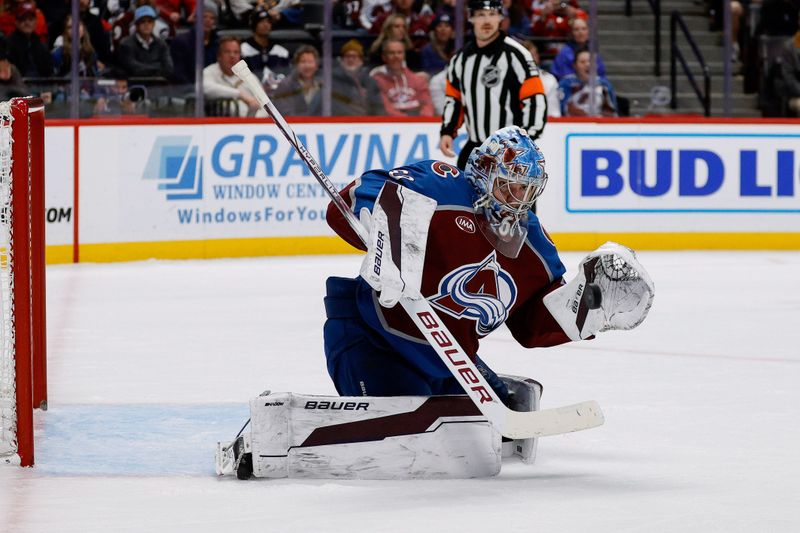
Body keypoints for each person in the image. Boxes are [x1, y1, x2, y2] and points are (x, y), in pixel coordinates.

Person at [323, 125, 653, 405]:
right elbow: (352, 201)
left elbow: (533, 326)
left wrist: (591, 305)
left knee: (500, 426)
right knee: (408, 436)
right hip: (374, 340)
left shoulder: (533, 246)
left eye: (527, 189)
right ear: (484, 171)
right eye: (510, 184)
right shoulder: (441, 187)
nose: (519, 198)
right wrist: (386, 235)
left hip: (450, 362)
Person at [439, 0, 547, 170]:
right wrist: (447, 131)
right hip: (474, 149)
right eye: (481, 15)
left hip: (512, 150)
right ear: (471, 18)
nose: (487, 21)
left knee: (513, 196)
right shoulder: (459, 59)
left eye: (492, 14)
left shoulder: (518, 55)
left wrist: (526, 141)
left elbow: (535, 99)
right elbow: (454, 100)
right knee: (464, 196)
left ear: (500, 18)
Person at [370, 39, 434, 116]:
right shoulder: (377, 81)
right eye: (391, 53)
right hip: (392, 123)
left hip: (417, 121)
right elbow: (385, 108)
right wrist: (405, 122)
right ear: (384, 57)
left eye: (399, 52)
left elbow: (427, 104)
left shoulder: (417, 79)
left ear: (404, 55)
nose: (396, 56)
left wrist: (423, 119)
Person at [202, 35, 263, 116]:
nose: (232, 56)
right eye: (227, 52)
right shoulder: (209, 71)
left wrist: (253, 119)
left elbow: (265, 105)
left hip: (251, 124)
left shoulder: (249, 76)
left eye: (236, 52)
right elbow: (205, 88)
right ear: (219, 56)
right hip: (219, 124)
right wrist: (239, 94)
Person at [117, 5, 174, 78]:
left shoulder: (161, 44)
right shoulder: (125, 44)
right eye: (142, 21)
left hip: (158, 85)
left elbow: (169, 68)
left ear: (153, 24)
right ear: (136, 25)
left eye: (149, 21)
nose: (146, 24)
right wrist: (158, 66)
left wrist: (146, 67)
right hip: (135, 85)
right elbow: (133, 69)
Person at [240, 6, 290, 90]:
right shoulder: (242, 49)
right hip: (250, 92)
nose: (266, 25)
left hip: (277, 94)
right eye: (261, 21)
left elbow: (287, 76)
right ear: (254, 25)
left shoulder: (281, 52)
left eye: (268, 22)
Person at [170, 0, 219, 85]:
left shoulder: (219, 43)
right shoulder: (181, 42)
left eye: (212, 18)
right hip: (190, 91)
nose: (208, 20)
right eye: (204, 17)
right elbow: (179, 74)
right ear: (195, 18)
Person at [331, 38, 385, 116]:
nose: (351, 60)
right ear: (342, 59)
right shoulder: (334, 80)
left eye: (354, 56)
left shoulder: (370, 81)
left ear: (361, 59)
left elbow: (377, 106)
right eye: (347, 56)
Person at [558, 48, 618, 116]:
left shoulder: (604, 85)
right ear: (575, 65)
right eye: (582, 62)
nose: (587, 64)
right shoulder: (566, 83)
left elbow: (613, 112)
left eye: (591, 61)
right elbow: (562, 110)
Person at [270, 45, 322, 116]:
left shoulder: (323, 85)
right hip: (294, 125)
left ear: (316, 65)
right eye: (303, 62)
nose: (307, 66)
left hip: (320, 125)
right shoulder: (285, 84)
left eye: (310, 62)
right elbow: (284, 112)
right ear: (296, 64)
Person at [7, 2, 52, 76]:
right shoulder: (8, 45)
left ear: (36, 22)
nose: (27, 23)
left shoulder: (41, 46)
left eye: (30, 19)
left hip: (41, 86)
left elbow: (48, 73)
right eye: (23, 19)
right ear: (16, 22)